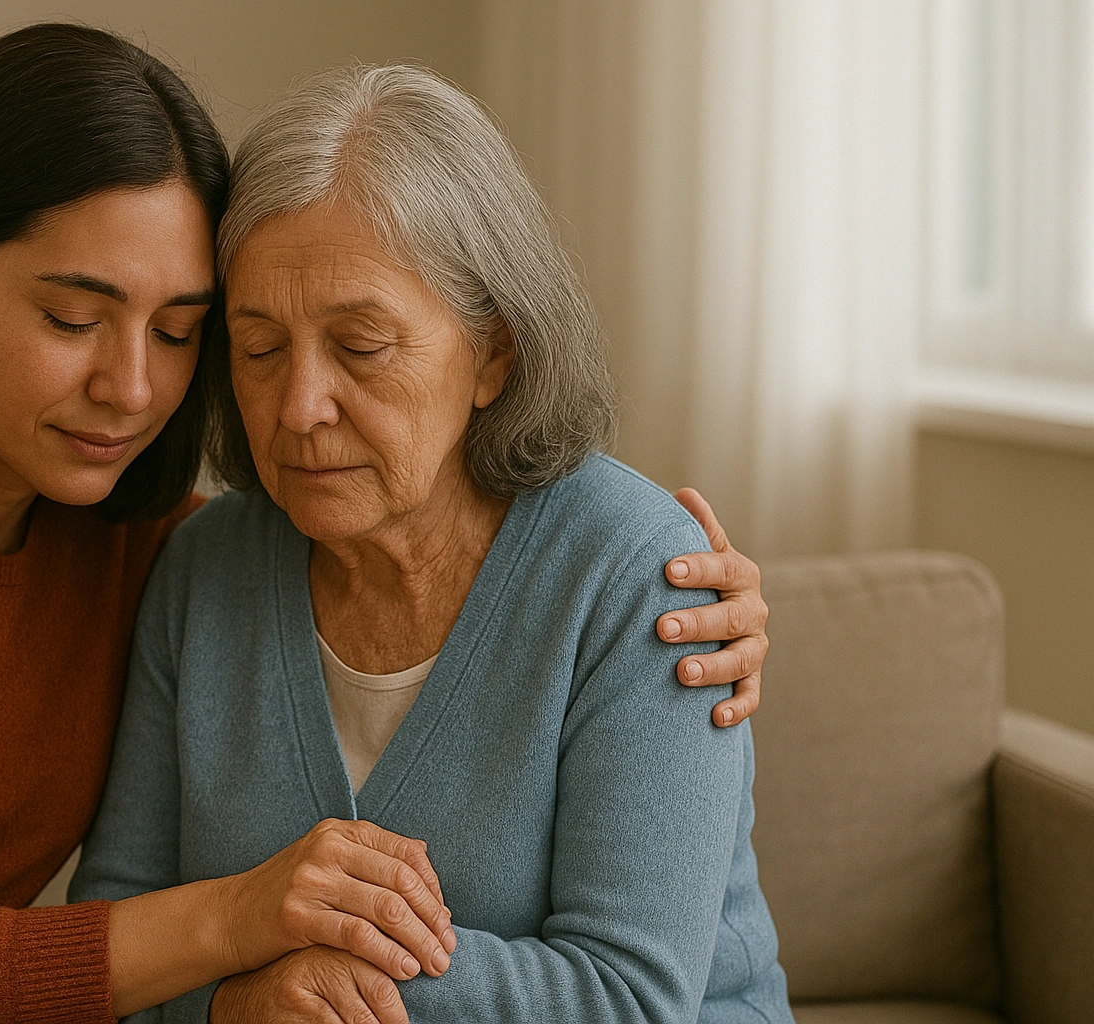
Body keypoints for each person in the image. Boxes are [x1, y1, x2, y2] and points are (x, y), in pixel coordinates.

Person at [0, 25, 768, 1024]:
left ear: (493, 349)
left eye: (182, 330)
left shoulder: (135, 537)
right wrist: (245, 936)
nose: (135, 388)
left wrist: (693, 596)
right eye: (76, 316)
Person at [69, 64, 794, 1024]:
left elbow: (631, 997)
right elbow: (111, 927)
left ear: (493, 351)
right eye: (258, 349)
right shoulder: (203, 571)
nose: (298, 407)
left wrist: (317, 973)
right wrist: (234, 1005)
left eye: (361, 346)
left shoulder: (639, 578)